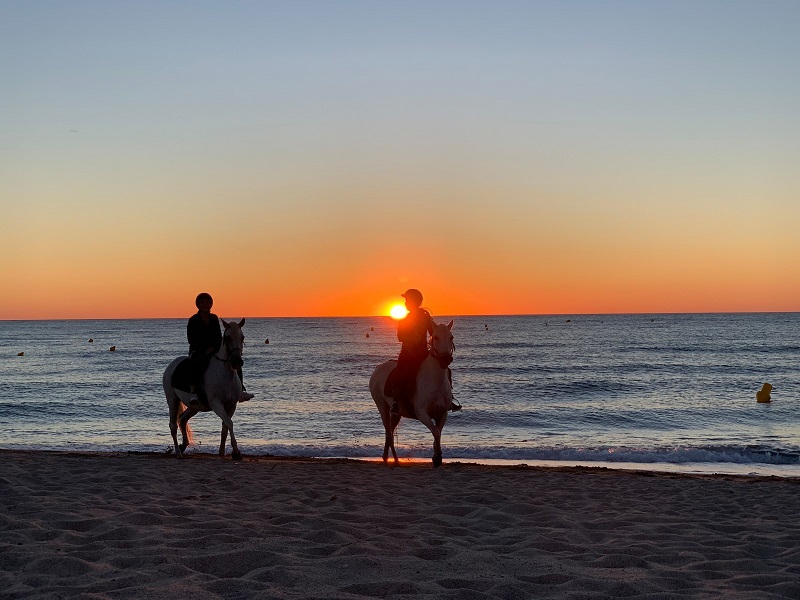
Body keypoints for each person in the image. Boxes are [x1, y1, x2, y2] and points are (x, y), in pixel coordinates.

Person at [390, 289, 460, 414]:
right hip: (408, 353)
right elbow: (400, 337)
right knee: (400, 371)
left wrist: (443, 335)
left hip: (422, 352)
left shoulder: (426, 318)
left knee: (445, 370)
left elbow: (433, 332)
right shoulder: (403, 319)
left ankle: (449, 399)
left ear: (415, 301)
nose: (406, 303)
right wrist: (413, 338)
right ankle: (396, 401)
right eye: (405, 300)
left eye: (407, 300)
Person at [187, 293, 254, 406]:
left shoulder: (214, 318)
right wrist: (204, 347)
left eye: (207, 302)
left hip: (214, 348)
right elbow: (191, 338)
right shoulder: (193, 320)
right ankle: (194, 392)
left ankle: (241, 390)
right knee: (196, 363)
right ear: (198, 304)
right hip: (198, 350)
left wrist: (215, 346)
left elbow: (218, 335)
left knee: (235, 362)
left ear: (211, 304)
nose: (205, 304)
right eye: (202, 302)